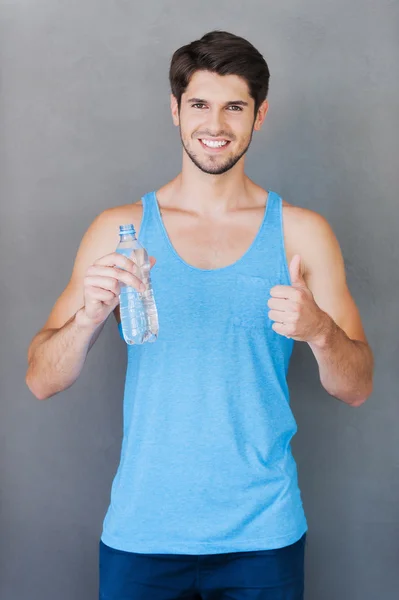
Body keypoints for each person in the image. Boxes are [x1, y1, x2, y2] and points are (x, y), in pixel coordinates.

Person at [26, 30, 373, 600]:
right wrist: (89, 317)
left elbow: (356, 386)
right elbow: (40, 379)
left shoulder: (302, 234)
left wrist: (319, 332)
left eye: (235, 106)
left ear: (259, 116)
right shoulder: (121, 231)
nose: (216, 125)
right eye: (200, 105)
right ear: (175, 110)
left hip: (263, 537)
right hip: (143, 534)